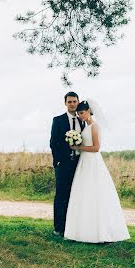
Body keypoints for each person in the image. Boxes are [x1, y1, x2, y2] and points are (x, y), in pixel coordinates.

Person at [64, 99, 130, 243]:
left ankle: (101, 231)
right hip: (84, 163)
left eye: (81, 113)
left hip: (92, 162)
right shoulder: (85, 127)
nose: (80, 115)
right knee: (84, 194)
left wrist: (78, 148)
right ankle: (83, 231)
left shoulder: (94, 127)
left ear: (89, 111)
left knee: (95, 193)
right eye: (78, 113)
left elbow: (96, 148)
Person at [50, 91, 85, 236]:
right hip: (63, 164)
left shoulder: (83, 121)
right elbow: (53, 143)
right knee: (61, 196)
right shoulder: (58, 120)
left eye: (74, 101)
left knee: (75, 195)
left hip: (79, 164)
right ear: (65, 103)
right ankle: (59, 228)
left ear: (78, 102)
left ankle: (72, 227)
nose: (72, 104)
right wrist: (58, 161)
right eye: (69, 102)